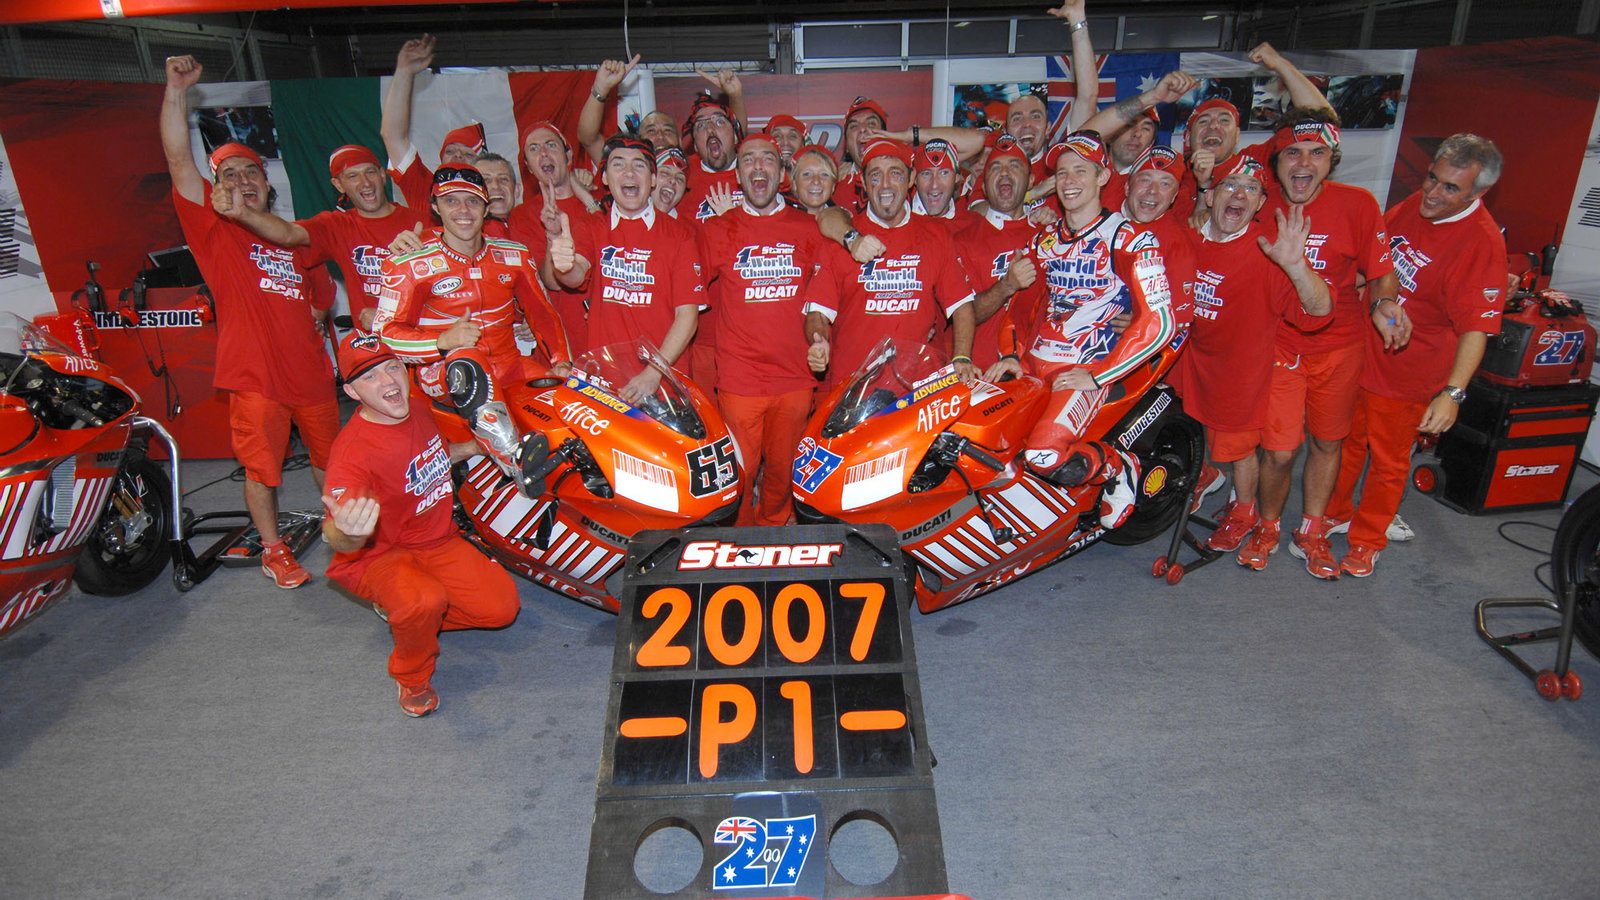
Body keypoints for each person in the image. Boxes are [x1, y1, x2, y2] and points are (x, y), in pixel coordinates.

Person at [160, 54, 339, 589]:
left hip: (309, 376)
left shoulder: (291, 235)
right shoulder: (215, 233)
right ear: (217, 189)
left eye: (251, 172)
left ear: (267, 182)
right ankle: (273, 549)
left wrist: (307, 321)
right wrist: (176, 91)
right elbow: (176, 157)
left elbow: (322, 298)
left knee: (332, 465)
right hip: (255, 378)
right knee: (263, 470)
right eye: (229, 174)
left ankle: (341, 536)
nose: (242, 181)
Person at [1323, 134, 1508, 576]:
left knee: (1388, 462)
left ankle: (1368, 538)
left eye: (1450, 188)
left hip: (1410, 375)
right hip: (1363, 354)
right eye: (1432, 178)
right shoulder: (1414, 205)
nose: (1432, 193)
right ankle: (1335, 511)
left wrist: (1452, 394)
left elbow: (1477, 329)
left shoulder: (1481, 244)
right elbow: (1378, 261)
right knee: (1344, 443)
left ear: (1478, 193)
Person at [322, 332, 520, 718]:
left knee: (501, 609)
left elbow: (437, 454)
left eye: (392, 368)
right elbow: (338, 538)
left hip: (436, 539)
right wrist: (347, 530)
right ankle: (411, 674)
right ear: (352, 392)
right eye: (370, 378)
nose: (388, 382)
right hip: (378, 554)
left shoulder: (418, 408)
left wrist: (481, 447)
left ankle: (410, 622)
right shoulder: (352, 453)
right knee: (422, 601)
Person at [986, 131, 1176, 529]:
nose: (1069, 181)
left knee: (1043, 455)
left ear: (1103, 176)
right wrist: (1010, 355)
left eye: (1080, 171)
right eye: (1062, 173)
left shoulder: (1131, 239)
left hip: (1086, 367)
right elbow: (1020, 307)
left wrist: (1099, 374)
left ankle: (1119, 468)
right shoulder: (1044, 241)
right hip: (1036, 362)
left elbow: (1160, 322)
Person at [1235, 116, 1398, 577]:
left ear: (1331, 162)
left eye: (1317, 153)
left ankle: (1311, 529)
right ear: (1276, 163)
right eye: (1293, 153)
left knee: (1328, 443)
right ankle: (1267, 527)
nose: (1304, 163)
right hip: (1279, 344)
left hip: (1341, 347)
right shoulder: (1256, 203)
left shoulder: (1359, 205)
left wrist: (1385, 303)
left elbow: (1381, 269)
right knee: (1280, 451)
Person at [373, 165, 572, 484]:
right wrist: (441, 342)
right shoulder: (407, 261)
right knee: (467, 361)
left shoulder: (515, 255)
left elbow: (544, 314)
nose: (463, 210)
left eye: (473, 201)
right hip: (443, 373)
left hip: (509, 365)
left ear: (486, 207)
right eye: (451, 201)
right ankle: (512, 459)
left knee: (572, 396)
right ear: (436, 207)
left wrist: (562, 362)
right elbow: (384, 335)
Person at [1178, 156, 1333, 562]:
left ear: (1261, 204)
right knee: (1227, 446)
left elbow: (1319, 311)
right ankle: (1236, 505)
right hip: (1202, 365)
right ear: (1209, 196)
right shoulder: (1187, 238)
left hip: (1257, 367)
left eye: (1251, 189)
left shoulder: (1270, 250)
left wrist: (1297, 266)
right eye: (1230, 185)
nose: (1239, 195)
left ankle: (1258, 518)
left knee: (1266, 451)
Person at [698, 133, 826, 526]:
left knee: (784, 471)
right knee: (739, 473)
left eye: (767, 159)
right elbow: (688, 298)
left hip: (795, 377)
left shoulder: (809, 228)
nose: (758, 166)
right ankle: (738, 539)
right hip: (739, 379)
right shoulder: (717, 230)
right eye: (748, 159)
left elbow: (824, 298)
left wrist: (822, 341)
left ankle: (773, 528)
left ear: (781, 172)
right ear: (738, 173)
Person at [805, 138, 979, 386]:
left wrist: (962, 357)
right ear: (863, 183)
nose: (885, 184)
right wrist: (818, 340)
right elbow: (817, 313)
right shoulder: (843, 238)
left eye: (895, 174)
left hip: (916, 388)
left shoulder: (935, 235)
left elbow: (961, 305)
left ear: (910, 179)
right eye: (875, 176)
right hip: (853, 388)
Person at [547, 135, 705, 402]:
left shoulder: (680, 234)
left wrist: (654, 373)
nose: (629, 172)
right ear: (606, 178)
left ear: (653, 179)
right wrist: (564, 265)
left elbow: (687, 316)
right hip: (605, 379)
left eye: (639, 165)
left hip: (663, 380)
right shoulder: (593, 227)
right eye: (618, 165)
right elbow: (575, 276)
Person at [211, 143, 427, 331]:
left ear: (382, 175)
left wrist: (385, 316)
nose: (365, 183)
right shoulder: (337, 225)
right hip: (374, 350)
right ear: (339, 186)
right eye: (352, 176)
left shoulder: (421, 222)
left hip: (420, 338)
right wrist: (243, 213)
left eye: (370, 172)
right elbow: (288, 234)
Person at [1179, 42, 1333, 224]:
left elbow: (1321, 123)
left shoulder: (1255, 161)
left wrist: (1281, 65)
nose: (1214, 126)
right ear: (1188, 137)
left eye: (1224, 120)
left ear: (1237, 136)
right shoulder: (1171, 176)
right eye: (1203, 121)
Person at [953, 134, 1039, 369]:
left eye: (1014, 166)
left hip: (1038, 374)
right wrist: (1007, 286)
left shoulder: (1050, 235)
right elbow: (962, 316)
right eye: (995, 168)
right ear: (984, 182)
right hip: (982, 376)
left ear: (1030, 180)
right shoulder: (963, 240)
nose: (1004, 174)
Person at [380, 35, 490, 209]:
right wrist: (404, 72)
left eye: (468, 154)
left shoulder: (494, 196)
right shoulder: (425, 189)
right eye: (450, 151)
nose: (458, 156)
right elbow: (392, 136)